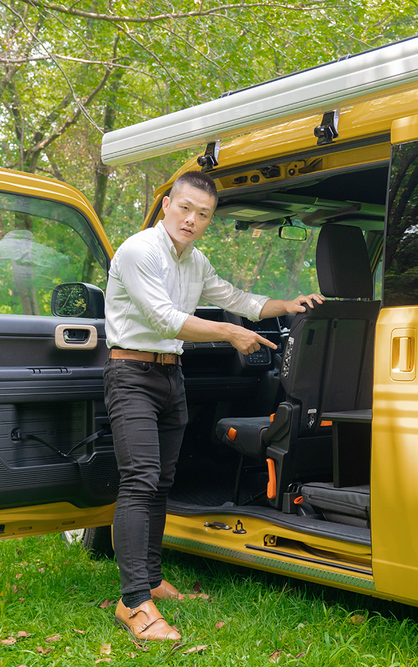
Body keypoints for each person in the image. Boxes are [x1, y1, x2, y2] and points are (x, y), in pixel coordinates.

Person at [104, 170, 323, 641]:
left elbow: (236, 298)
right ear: (166, 204)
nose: (191, 220)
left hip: (169, 376)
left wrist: (288, 303)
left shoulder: (195, 260)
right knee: (140, 480)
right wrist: (229, 332)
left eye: (202, 215)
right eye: (185, 208)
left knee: (162, 482)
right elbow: (163, 317)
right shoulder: (140, 251)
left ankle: (154, 580)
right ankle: (133, 602)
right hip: (131, 375)